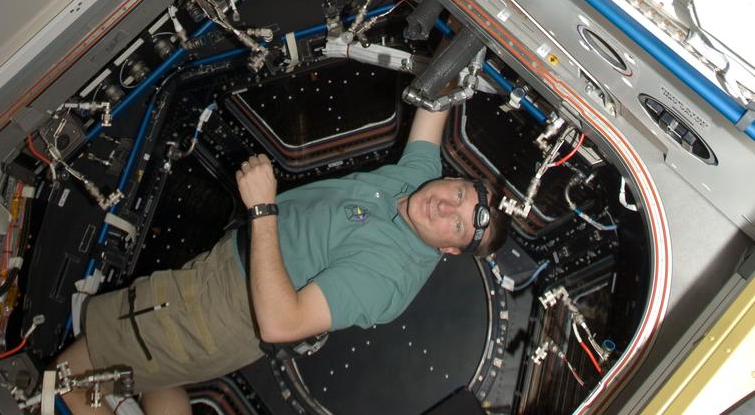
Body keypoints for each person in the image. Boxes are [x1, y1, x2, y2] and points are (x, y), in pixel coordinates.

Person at [55, 105, 507, 414]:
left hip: (221, 310)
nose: (445, 208)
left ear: (449, 250)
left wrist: (262, 210)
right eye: (460, 194)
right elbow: (436, 100)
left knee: (67, 377)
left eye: (458, 226)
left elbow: (281, 325)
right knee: (157, 378)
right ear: (455, 178)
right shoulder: (420, 183)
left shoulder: (388, 277)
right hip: (221, 283)